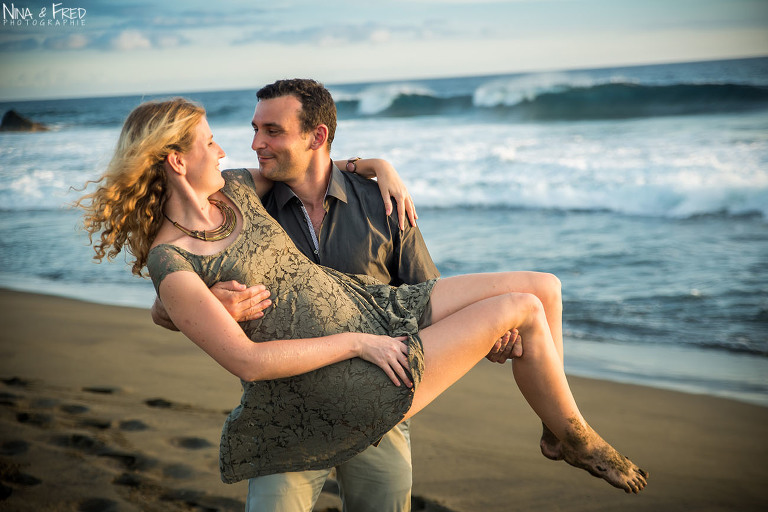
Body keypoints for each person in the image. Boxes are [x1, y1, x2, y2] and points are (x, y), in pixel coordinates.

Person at [79, 98, 648, 507]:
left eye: (262, 131)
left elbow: (309, 163)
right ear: (177, 161)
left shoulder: (236, 190)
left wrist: (378, 165)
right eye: (211, 141)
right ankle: (574, 436)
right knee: (520, 305)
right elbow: (242, 357)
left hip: (380, 310)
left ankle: (557, 427)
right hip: (353, 364)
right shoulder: (173, 260)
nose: (231, 146)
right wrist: (178, 309)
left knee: (543, 287)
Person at [149, 79, 523, 512]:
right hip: (285, 413)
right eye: (255, 129)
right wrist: (197, 305)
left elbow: (424, 299)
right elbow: (175, 287)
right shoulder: (242, 202)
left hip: (377, 403)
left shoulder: (383, 201)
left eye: (272, 131)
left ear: (317, 135)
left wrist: (492, 334)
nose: (254, 144)